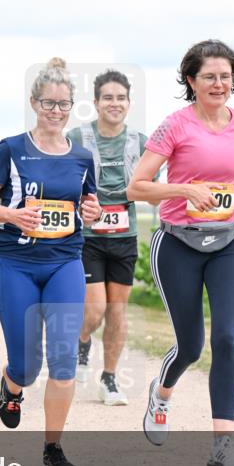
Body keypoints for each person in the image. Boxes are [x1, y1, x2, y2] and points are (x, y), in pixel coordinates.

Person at [127, 39, 234, 466]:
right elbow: (137, 187)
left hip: (229, 242)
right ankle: (163, 390)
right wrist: (183, 189)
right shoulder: (174, 126)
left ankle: (222, 448)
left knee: (226, 339)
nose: (218, 83)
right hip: (177, 244)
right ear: (191, 81)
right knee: (191, 346)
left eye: (225, 76)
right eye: (209, 76)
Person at [0, 58, 101, 466]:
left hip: (64, 261)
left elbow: (87, 207)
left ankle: (53, 448)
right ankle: (11, 385)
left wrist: (92, 210)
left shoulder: (82, 157)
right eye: (49, 103)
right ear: (34, 102)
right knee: (26, 365)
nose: (56, 111)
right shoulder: (11, 148)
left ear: (71, 107)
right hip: (17, 264)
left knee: (63, 360)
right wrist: (12, 216)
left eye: (64, 105)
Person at [66, 70, 153, 406]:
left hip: (124, 236)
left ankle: (110, 379)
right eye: (108, 98)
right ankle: (83, 341)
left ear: (128, 104)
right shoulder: (76, 137)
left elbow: (150, 185)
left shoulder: (142, 143)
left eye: (120, 98)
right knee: (95, 309)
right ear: (96, 103)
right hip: (87, 237)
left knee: (117, 310)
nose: (114, 103)